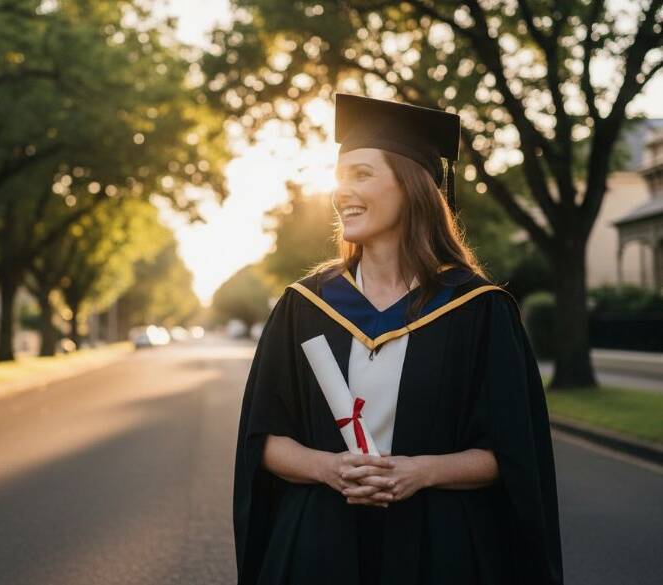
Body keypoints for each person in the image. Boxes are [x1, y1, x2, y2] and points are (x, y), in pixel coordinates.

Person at [232, 93, 563, 585]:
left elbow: (513, 456)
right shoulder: (304, 306)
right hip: (321, 547)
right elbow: (264, 443)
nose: (342, 191)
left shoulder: (477, 310)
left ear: (412, 185)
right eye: (340, 176)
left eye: (362, 173)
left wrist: (419, 472)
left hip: (439, 548)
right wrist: (328, 468)